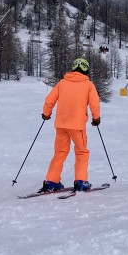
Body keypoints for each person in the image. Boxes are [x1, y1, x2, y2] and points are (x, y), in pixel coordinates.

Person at [39, 57, 101, 193]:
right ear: (86, 69)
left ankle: (51, 181)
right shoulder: (88, 85)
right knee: (81, 152)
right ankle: (80, 181)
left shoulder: (62, 83)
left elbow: (50, 100)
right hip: (77, 126)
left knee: (60, 152)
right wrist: (96, 118)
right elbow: (94, 104)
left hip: (61, 124)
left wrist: (46, 113)